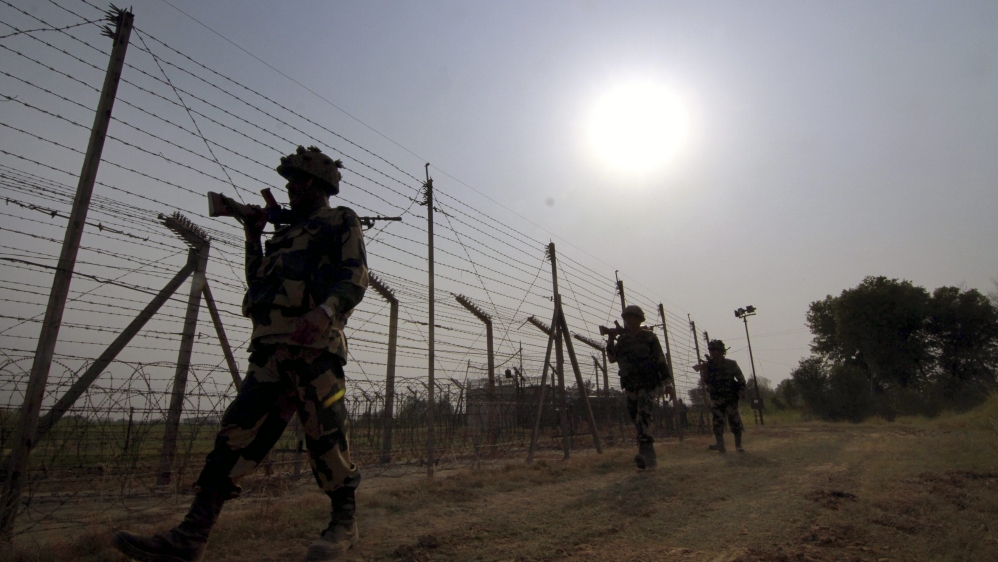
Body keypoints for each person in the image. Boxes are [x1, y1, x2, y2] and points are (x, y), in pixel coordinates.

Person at [113, 146, 369, 562]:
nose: (291, 186)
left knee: (326, 438)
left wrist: (325, 312)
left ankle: (344, 524)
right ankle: (191, 536)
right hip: (270, 352)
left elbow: (355, 275)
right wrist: (253, 237)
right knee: (234, 437)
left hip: (316, 349)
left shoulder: (340, 220)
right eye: (290, 180)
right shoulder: (283, 234)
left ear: (320, 185)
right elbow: (259, 282)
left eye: (299, 180)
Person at [606, 305, 673, 470]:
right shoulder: (623, 340)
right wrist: (610, 339)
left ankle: (646, 456)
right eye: (626, 318)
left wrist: (668, 384)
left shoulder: (649, 337)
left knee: (643, 416)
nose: (628, 321)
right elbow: (612, 358)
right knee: (636, 419)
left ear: (639, 319)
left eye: (631, 317)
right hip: (630, 385)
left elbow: (660, 360)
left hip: (648, 384)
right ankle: (649, 457)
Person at [693, 339, 746, 453]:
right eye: (711, 350)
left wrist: (741, 391)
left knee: (734, 421)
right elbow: (707, 381)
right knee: (717, 422)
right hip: (716, 398)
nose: (712, 352)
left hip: (730, 397)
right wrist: (705, 369)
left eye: (714, 350)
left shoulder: (731, 364)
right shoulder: (709, 366)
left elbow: (741, 379)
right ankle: (720, 444)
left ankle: (738, 445)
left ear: (721, 351)